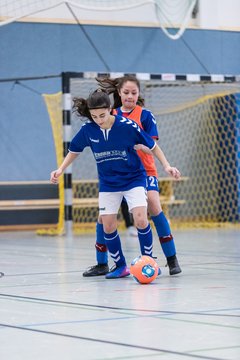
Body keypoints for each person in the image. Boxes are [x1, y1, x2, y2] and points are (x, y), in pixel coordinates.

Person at [50, 89, 180, 279]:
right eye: (94, 116)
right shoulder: (88, 130)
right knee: (108, 225)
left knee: (141, 219)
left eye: (102, 115)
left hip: (134, 178)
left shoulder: (127, 126)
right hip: (109, 183)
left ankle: (149, 261)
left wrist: (167, 166)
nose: (99, 120)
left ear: (111, 109)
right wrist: (60, 169)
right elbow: (74, 151)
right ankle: (120, 266)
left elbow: (153, 146)